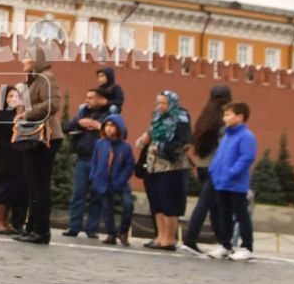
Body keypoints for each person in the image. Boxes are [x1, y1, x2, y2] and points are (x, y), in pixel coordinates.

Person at [14, 48, 65, 245]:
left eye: (27, 57)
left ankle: (42, 231)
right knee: (34, 187)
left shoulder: (46, 77)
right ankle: (31, 228)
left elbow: (53, 104)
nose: (23, 60)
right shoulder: (33, 80)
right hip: (34, 138)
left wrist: (27, 114)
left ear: (37, 59)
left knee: (40, 187)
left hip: (47, 137)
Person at [137, 90, 193, 250]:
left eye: (164, 103)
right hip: (153, 165)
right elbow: (151, 134)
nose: (160, 106)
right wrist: (144, 139)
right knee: (157, 202)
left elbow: (184, 143)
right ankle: (160, 236)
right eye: (159, 102)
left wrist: (161, 148)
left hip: (172, 166)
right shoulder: (157, 117)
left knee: (170, 203)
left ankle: (169, 239)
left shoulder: (181, 118)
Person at [180, 85, 232, 254]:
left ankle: (224, 243)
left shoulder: (205, 116)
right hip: (216, 166)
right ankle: (190, 239)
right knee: (206, 203)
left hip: (203, 165)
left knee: (213, 205)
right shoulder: (224, 116)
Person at [205, 102, 258, 261]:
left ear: (240, 117)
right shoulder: (227, 135)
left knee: (241, 215)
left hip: (236, 183)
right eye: (225, 114)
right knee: (224, 214)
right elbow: (219, 156)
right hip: (222, 182)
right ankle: (225, 245)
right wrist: (213, 171)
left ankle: (247, 246)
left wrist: (232, 172)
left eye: (228, 114)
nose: (224, 118)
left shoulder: (246, 136)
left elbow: (247, 157)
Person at [63, 89, 111, 236]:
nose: (87, 100)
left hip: (100, 161)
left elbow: (115, 132)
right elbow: (65, 128)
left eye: (91, 98)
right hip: (83, 159)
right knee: (78, 195)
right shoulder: (83, 113)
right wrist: (79, 122)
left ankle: (92, 229)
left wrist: (98, 126)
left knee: (96, 196)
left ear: (100, 100)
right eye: (86, 97)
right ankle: (74, 227)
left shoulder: (109, 115)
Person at [0, 85, 29, 235]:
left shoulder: (19, 113)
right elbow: (16, 126)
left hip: (17, 157)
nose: (13, 99)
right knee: (3, 189)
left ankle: (5, 221)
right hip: (5, 157)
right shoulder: (2, 114)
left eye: (16, 96)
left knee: (11, 190)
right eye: (10, 96)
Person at [91, 114, 135, 245]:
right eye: (107, 126)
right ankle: (111, 233)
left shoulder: (125, 147)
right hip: (103, 182)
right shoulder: (100, 144)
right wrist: (93, 176)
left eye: (113, 126)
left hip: (120, 182)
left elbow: (129, 165)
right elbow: (95, 161)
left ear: (119, 128)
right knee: (106, 209)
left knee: (128, 204)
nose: (109, 129)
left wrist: (121, 180)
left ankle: (123, 232)